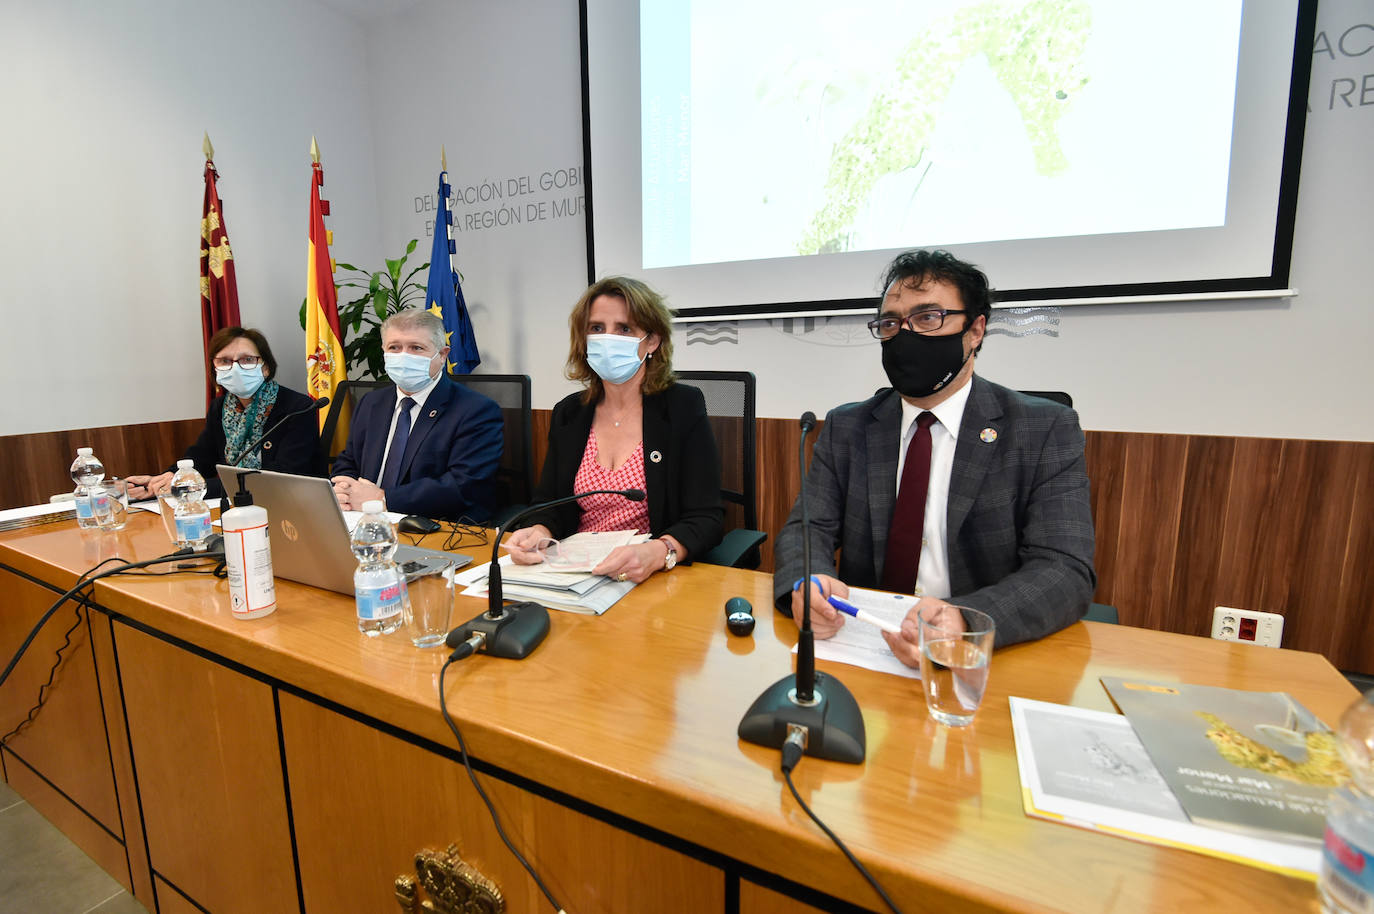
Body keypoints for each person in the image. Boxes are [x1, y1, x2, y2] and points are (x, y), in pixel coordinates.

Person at [773, 249, 1096, 665]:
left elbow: (1064, 569)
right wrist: (807, 582)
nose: (905, 336)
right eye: (891, 323)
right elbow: (808, 528)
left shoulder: (1043, 429)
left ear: (976, 330)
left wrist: (965, 621)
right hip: (863, 642)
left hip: (978, 660)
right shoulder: (848, 426)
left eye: (928, 318)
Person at [505, 277, 724, 583]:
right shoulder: (569, 413)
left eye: (624, 329)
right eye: (596, 328)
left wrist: (660, 551)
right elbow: (548, 505)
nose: (608, 339)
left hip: (648, 576)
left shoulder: (682, 407)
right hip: (576, 574)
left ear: (652, 341)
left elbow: (707, 518)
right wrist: (539, 532)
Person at [330, 308, 503, 521]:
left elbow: (463, 484)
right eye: (394, 347)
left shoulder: (476, 410)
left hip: (434, 526)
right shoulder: (371, 403)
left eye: (416, 347)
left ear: (442, 355)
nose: (404, 356)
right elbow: (349, 461)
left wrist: (383, 498)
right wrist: (344, 490)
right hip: (363, 520)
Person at [127, 327, 320, 501]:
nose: (236, 368)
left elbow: (281, 477)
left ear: (266, 367)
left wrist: (194, 487)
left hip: (292, 503)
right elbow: (201, 458)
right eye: (225, 361)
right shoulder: (220, 408)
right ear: (215, 368)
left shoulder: (297, 407)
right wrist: (166, 480)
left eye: (247, 360)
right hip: (238, 505)